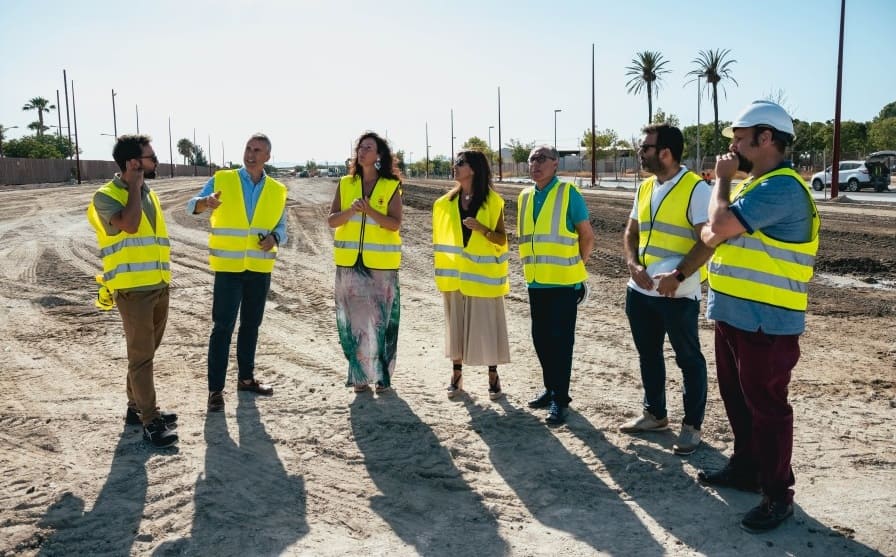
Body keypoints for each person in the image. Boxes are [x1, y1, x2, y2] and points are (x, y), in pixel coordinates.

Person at [698, 100, 820, 532]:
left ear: (765, 138)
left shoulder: (782, 187)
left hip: (766, 322)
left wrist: (722, 184)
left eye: (738, 138)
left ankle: (777, 494)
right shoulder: (757, 186)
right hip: (735, 315)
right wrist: (719, 219)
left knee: (767, 409)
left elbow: (717, 224)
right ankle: (747, 469)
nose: (731, 148)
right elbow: (712, 232)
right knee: (738, 401)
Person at [619, 124, 715, 455]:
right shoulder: (645, 187)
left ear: (665, 152)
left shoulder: (696, 189)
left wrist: (679, 274)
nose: (640, 153)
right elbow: (631, 232)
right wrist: (633, 265)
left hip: (677, 293)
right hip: (641, 290)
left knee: (688, 358)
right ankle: (655, 414)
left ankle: (692, 426)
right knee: (649, 355)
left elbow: (708, 241)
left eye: (644, 147)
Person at [86, 134, 178, 447]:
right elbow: (129, 225)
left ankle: (133, 409)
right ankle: (150, 421)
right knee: (141, 359)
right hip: (132, 291)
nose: (156, 161)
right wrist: (135, 188)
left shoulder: (149, 192)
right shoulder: (106, 195)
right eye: (151, 157)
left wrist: (140, 187)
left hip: (158, 285)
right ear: (134, 163)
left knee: (146, 354)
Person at [188, 133, 288, 412]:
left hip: (258, 267)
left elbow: (282, 227)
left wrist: (275, 239)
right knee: (222, 328)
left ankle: (246, 379)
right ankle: (215, 391)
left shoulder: (278, 190)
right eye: (248, 148)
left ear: (268, 156)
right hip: (229, 268)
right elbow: (191, 205)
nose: (250, 154)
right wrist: (205, 203)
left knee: (251, 326)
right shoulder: (223, 179)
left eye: (257, 150)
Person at [519, 145, 595, 425]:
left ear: (555, 165)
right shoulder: (525, 196)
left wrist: (578, 266)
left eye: (542, 159)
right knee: (541, 340)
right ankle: (551, 388)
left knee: (561, 344)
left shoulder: (568, 193)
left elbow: (586, 236)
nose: (535, 164)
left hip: (563, 283)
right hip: (536, 282)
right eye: (532, 159)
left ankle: (560, 400)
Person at [327, 132, 402, 394]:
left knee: (381, 322)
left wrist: (370, 211)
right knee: (356, 322)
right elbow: (332, 220)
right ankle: (359, 374)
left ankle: (382, 375)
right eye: (360, 147)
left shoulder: (391, 186)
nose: (362, 151)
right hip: (350, 264)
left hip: (381, 265)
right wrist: (351, 212)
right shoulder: (346, 184)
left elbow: (394, 224)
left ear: (379, 155)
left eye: (368, 147)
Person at [432, 150, 510, 400]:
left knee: (488, 327)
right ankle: (456, 375)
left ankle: (493, 376)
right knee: (456, 327)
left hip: (483, 276)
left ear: (474, 168)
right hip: (455, 277)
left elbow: (502, 239)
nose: (454, 166)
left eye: (460, 163)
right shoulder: (444, 204)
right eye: (454, 162)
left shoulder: (493, 202)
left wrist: (482, 229)